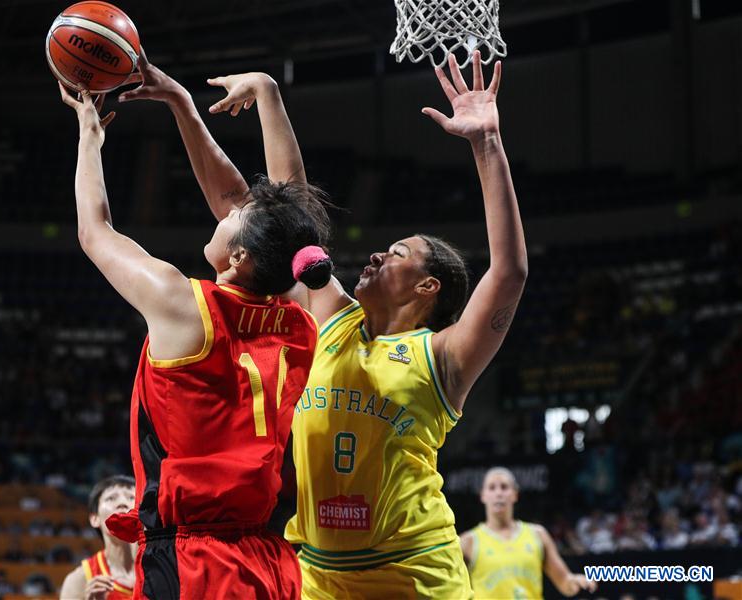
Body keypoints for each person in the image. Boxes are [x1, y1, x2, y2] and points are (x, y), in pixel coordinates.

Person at [125, 50, 527, 597]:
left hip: (414, 573)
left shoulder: (444, 356)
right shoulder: (332, 319)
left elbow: (509, 270)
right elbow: (274, 217)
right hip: (317, 576)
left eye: (398, 253)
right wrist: (263, 94)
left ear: (428, 287)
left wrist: (485, 143)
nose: (377, 256)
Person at [58, 63, 333, 599]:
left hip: (196, 561)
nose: (224, 212)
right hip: (270, 560)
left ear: (240, 255)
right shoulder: (299, 320)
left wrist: (90, 135)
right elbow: (290, 216)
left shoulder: (184, 306)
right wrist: (184, 104)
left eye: (232, 218)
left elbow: (95, 230)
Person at [461, 467, 597, 598]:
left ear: (515, 494)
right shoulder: (468, 541)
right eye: (492, 488)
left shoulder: (537, 534)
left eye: (504, 487)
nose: (499, 493)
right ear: (482, 495)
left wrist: (575, 582)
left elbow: (564, 582)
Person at [60, 476, 137, 600]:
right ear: (95, 518)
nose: (122, 503)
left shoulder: (162, 566)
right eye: (111, 498)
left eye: (131, 497)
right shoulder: (80, 580)